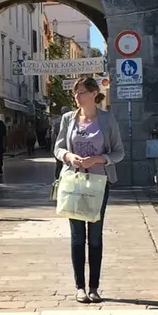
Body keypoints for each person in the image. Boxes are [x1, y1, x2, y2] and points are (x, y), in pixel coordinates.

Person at [53, 76, 126, 303]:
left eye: (81, 91)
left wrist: (98, 159)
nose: (77, 96)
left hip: (98, 183)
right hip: (74, 183)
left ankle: (94, 287)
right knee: (77, 236)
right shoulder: (68, 119)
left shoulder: (107, 119)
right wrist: (68, 156)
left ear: (94, 93)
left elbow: (118, 152)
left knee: (95, 236)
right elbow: (58, 147)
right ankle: (79, 287)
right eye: (75, 92)